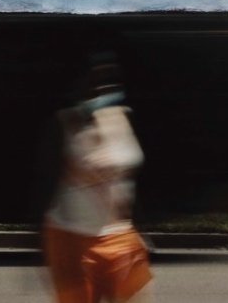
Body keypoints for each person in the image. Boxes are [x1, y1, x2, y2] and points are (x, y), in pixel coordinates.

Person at [42, 54, 152, 303]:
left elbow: (127, 179)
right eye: (95, 80)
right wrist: (37, 248)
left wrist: (140, 228)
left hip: (121, 238)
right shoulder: (63, 124)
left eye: (109, 78)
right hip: (73, 241)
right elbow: (44, 185)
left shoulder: (124, 116)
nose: (103, 87)